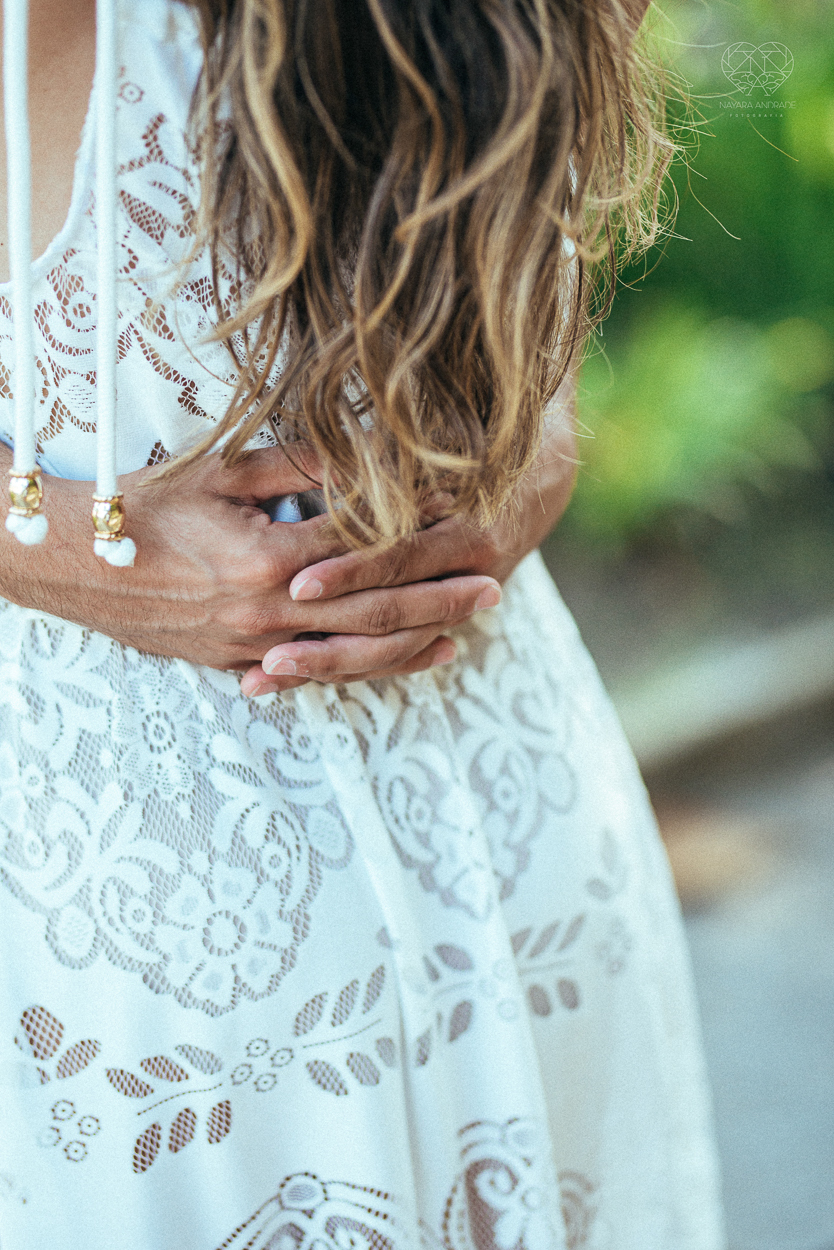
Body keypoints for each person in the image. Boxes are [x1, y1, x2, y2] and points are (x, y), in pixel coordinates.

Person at [0, 1, 725, 1247]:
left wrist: (533, 444)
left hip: (452, 859)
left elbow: (519, 295)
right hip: (224, 927)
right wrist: (75, 548)